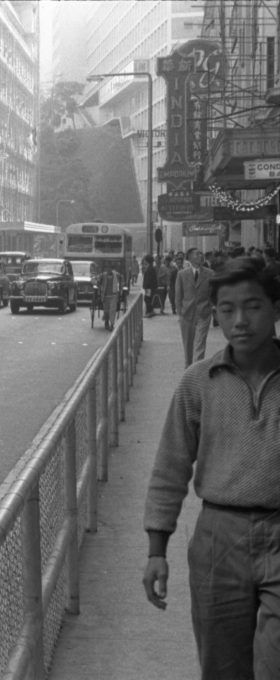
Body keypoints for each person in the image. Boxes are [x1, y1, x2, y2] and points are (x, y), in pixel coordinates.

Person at [142, 257, 280, 679]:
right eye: (226, 309)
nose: (240, 320)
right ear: (215, 314)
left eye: (253, 306)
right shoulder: (197, 383)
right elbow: (170, 467)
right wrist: (156, 550)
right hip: (219, 539)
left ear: (275, 307)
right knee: (223, 668)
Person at [175, 247, 215, 367]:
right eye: (197, 254)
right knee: (188, 345)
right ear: (190, 258)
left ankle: (196, 371)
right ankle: (188, 368)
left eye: (201, 254)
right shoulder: (182, 274)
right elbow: (178, 295)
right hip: (186, 314)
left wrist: (210, 308)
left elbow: (213, 293)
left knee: (200, 344)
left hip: (203, 314)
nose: (201, 256)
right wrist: (180, 313)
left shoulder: (210, 273)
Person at [96, 262, 122, 330]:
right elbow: (98, 281)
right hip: (105, 296)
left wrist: (121, 288)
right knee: (106, 311)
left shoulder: (116, 275)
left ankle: (112, 324)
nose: (109, 270)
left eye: (110, 268)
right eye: (107, 268)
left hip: (114, 296)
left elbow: (121, 279)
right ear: (106, 269)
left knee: (112, 311)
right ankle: (106, 321)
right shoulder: (103, 275)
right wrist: (98, 282)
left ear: (112, 269)